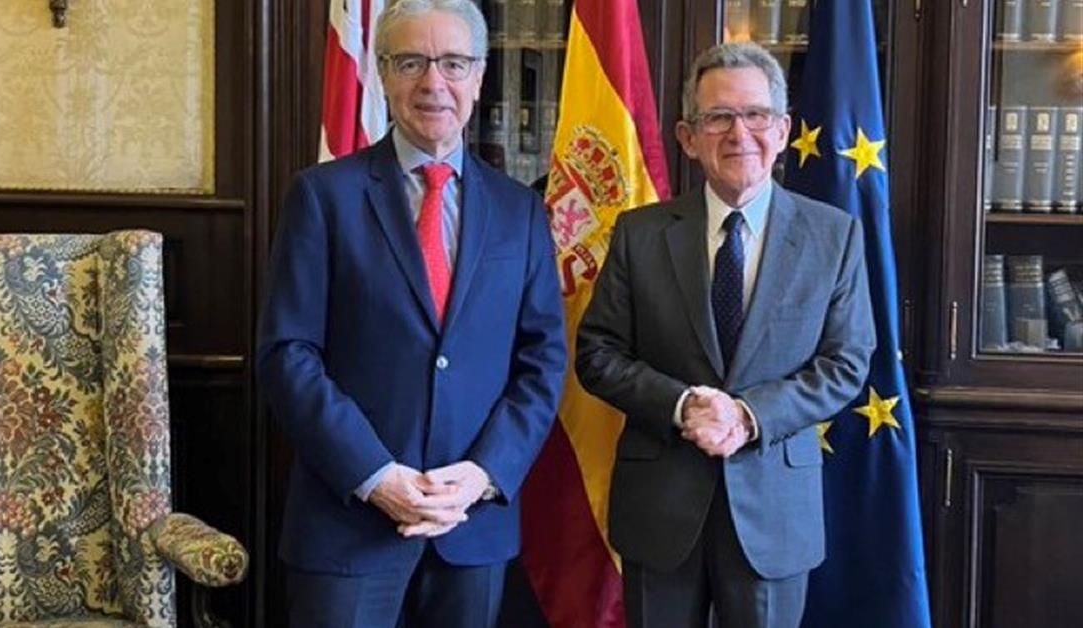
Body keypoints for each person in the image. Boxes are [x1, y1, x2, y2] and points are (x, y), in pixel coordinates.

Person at [256, 1, 566, 625]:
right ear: (382, 73)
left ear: (479, 76)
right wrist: (375, 475)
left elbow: (543, 360)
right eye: (411, 63)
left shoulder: (520, 211)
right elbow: (288, 354)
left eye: (453, 63)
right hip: (348, 522)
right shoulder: (322, 196)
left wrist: (482, 475)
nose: (433, 82)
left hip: (471, 524)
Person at [574, 42, 876, 628]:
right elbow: (597, 353)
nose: (740, 134)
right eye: (718, 117)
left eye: (756, 115)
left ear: (782, 130)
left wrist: (747, 415)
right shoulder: (640, 233)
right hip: (660, 507)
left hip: (773, 511)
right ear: (688, 137)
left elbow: (846, 361)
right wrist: (682, 405)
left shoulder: (833, 236)